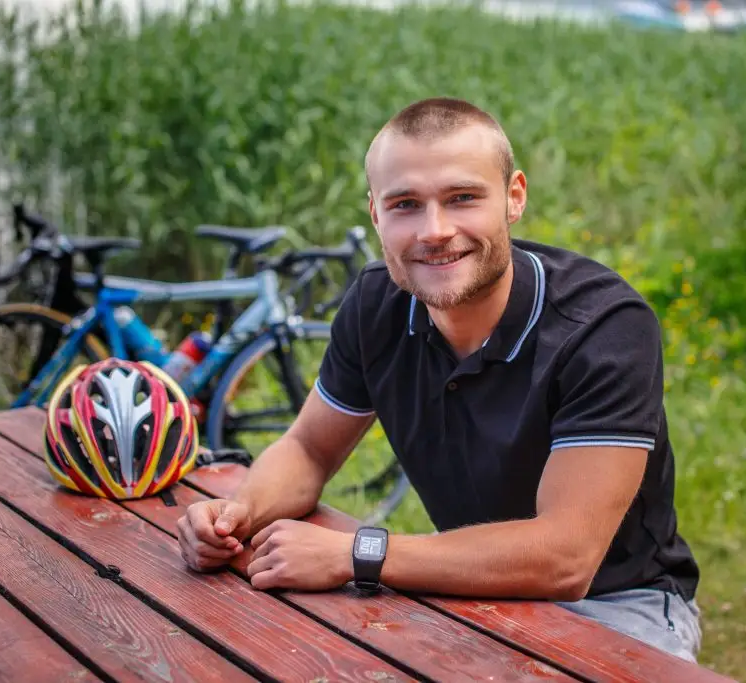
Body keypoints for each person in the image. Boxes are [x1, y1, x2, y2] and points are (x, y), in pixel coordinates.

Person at [176, 97, 702, 663]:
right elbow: (308, 448)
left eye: (462, 198)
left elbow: (566, 556)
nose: (436, 231)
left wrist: (360, 553)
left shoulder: (603, 328)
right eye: (405, 204)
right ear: (375, 214)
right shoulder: (375, 304)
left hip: (619, 604)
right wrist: (236, 513)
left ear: (514, 197)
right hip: (461, 587)